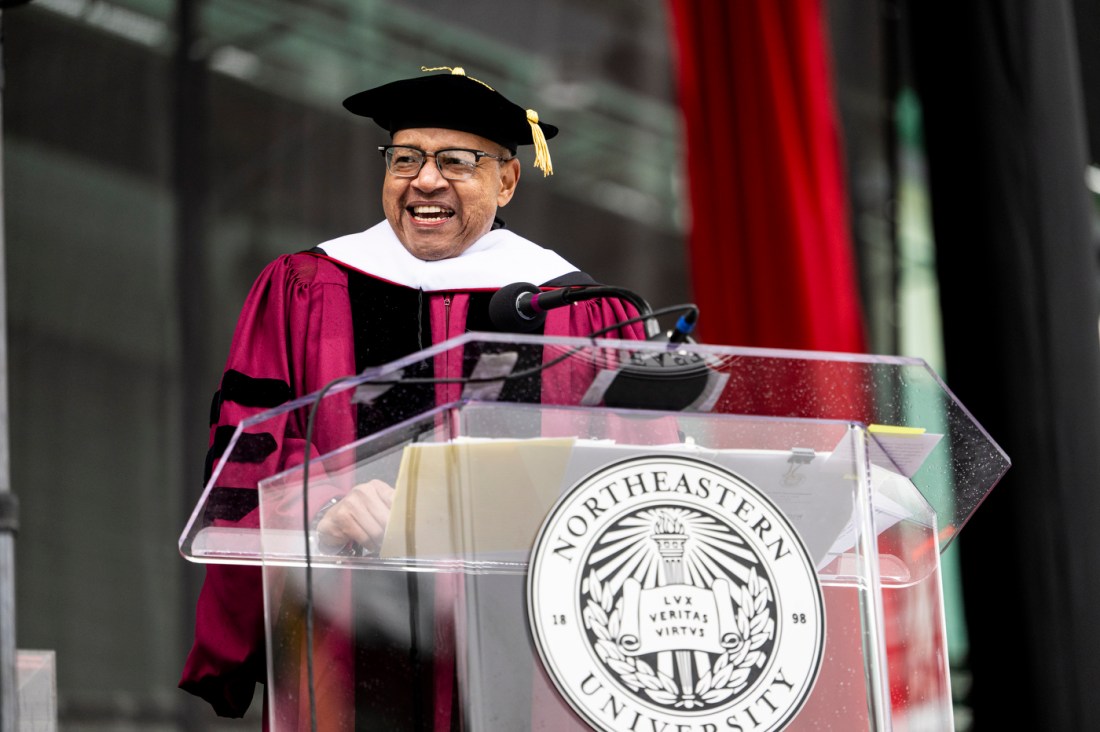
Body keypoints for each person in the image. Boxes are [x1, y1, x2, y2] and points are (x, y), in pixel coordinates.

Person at [179, 67, 647, 729]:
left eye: (456, 161)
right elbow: (249, 455)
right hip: (345, 631)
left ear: (507, 179)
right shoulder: (304, 287)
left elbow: (630, 484)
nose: (426, 181)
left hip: (530, 644)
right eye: (406, 159)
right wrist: (325, 506)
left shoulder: (582, 312)